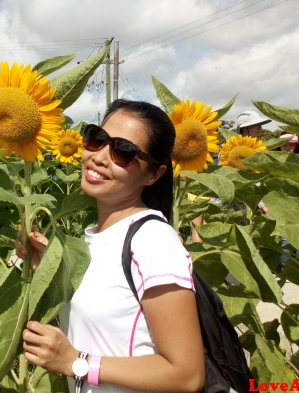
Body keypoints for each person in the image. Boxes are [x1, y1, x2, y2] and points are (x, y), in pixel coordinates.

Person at [17, 99, 205, 393]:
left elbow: (186, 374)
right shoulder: (92, 237)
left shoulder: (153, 242)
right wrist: (46, 268)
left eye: (124, 152)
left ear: (154, 174)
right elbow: (97, 324)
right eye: (97, 139)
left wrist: (77, 362)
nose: (100, 156)